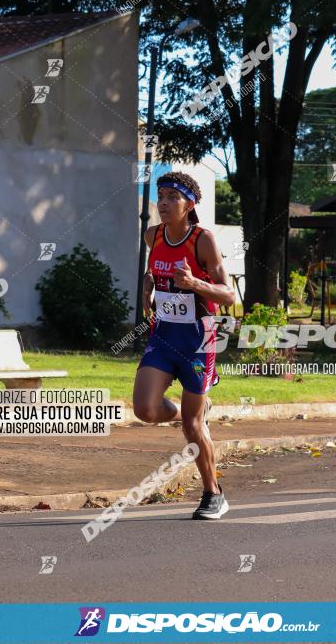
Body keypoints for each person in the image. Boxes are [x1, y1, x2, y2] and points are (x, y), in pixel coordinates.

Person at [133, 171, 235, 520]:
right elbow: (153, 273)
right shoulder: (154, 235)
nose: (162, 203)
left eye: (171, 198)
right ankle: (185, 411)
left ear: (189, 204)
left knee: (193, 428)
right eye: (160, 196)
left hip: (198, 340)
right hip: (163, 336)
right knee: (145, 410)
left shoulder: (203, 241)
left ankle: (213, 492)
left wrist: (194, 283)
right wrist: (148, 286)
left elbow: (229, 295)